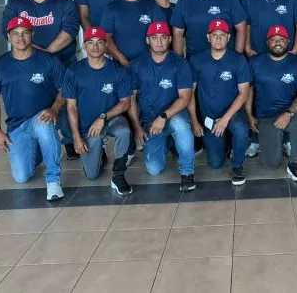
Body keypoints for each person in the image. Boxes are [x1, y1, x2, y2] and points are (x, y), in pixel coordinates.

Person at [0, 0, 80, 159]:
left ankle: (70, 139)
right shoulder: (16, 3)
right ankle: (33, 141)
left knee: (66, 101)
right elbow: (7, 30)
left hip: (62, 61)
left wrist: (47, 52)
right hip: (27, 64)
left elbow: (70, 30)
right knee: (32, 101)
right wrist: (33, 53)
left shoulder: (64, 2)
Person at [0, 17, 65, 201]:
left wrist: (54, 109)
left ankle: (53, 181)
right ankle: (40, 150)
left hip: (41, 117)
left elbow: (65, 90)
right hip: (16, 125)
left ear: (32, 35)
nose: (20, 38)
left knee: (44, 125)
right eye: (15, 34)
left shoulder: (48, 60)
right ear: (8, 37)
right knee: (22, 176)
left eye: (25, 33)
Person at [63, 26, 133, 195]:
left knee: (124, 130)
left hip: (111, 119)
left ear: (106, 45)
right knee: (92, 175)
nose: (95, 46)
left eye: (99, 42)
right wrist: (76, 137)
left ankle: (118, 174)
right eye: (90, 42)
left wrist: (103, 117)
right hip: (88, 127)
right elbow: (71, 107)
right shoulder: (73, 72)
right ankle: (99, 152)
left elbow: (125, 103)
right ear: (84, 45)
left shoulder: (117, 70)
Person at [128, 21, 197, 192]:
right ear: (147, 40)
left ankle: (187, 173)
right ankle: (168, 143)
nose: (159, 41)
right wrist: (137, 127)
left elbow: (185, 98)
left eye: (163, 37)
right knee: (154, 169)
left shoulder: (180, 63)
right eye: (154, 37)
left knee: (180, 125)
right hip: (150, 121)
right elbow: (131, 99)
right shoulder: (137, 64)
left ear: (170, 39)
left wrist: (163, 117)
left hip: (173, 115)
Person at [188, 19, 251, 185]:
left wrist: (225, 119)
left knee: (240, 128)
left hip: (233, 113)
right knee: (215, 163)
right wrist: (194, 121)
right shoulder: (197, 59)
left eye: (222, 35)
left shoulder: (238, 60)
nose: (218, 38)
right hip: (209, 116)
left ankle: (237, 165)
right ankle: (227, 143)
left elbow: (244, 93)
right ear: (208, 37)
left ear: (229, 38)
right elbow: (189, 93)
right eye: (214, 35)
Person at [247, 25, 297, 180]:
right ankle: (276, 141)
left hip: (291, 111)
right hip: (266, 115)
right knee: (271, 164)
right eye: (273, 39)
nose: (277, 42)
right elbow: (248, 90)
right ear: (267, 42)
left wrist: (288, 114)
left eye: (281, 39)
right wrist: (249, 115)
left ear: (288, 42)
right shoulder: (255, 62)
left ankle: (294, 163)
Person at [100, 0, 166, 67]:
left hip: (148, 66)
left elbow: (162, 36)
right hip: (119, 65)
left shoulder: (153, 6)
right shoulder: (111, 8)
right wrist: (122, 59)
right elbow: (106, 37)